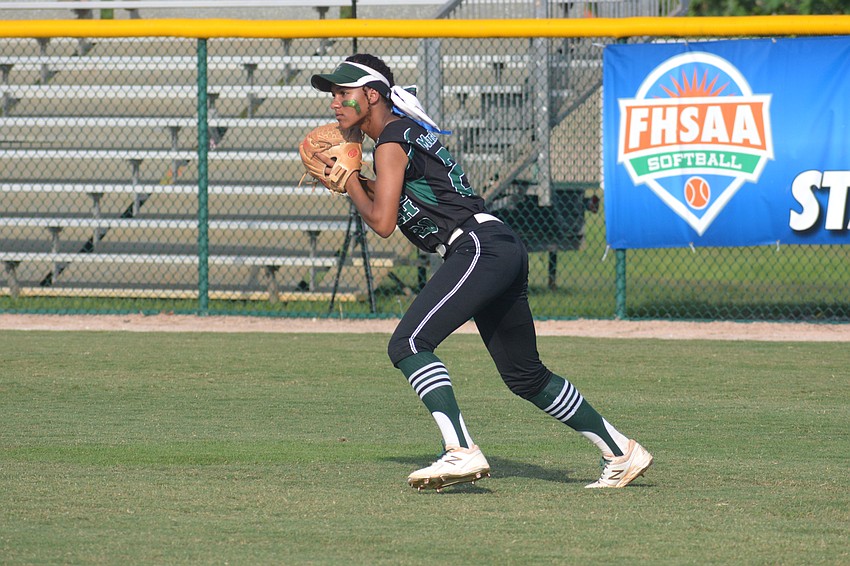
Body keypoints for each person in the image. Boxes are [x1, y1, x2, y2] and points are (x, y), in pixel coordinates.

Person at [309, 54, 652, 491]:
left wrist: (350, 180)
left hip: (476, 247)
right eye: (333, 94)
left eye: (344, 92)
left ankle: (460, 451)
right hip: (498, 244)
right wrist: (355, 178)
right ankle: (621, 451)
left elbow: (381, 222)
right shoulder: (401, 137)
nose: (335, 102)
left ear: (371, 95)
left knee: (409, 343)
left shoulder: (392, 140)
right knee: (525, 376)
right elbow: (404, 202)